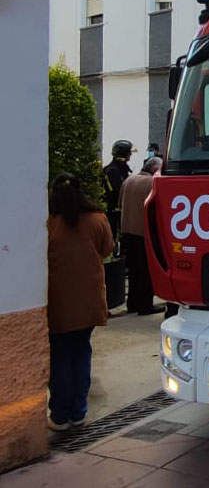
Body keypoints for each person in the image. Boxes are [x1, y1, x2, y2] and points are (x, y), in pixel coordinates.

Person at [47, 173, 114, 430]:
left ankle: (60, 415)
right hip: (88, 301)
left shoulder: (49, 222)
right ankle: (79, 411)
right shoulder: (97, 219)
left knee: (60, 356)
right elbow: (107, 249)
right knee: (81, 352)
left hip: (58, 302)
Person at [119, 157, 165, 315]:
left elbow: (120, 204)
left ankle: (132, 304)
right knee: (146, 272)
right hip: (143, 234)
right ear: (154, 169)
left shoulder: (128, 180)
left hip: (127, 232)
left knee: (133, 272)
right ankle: (145, 305)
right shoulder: (152, 183)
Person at [102, 140, 134, 240]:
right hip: (113, 210)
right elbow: (117, 190)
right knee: (113, 236)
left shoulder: (122, 168)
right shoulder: (112, 170)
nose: (131, 155)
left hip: (120, 210)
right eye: (129, 152)